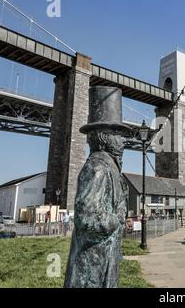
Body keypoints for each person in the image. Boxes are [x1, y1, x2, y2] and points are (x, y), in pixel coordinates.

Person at [64, 87, 130, 288]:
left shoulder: (108, 166)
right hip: (91, 264)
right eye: (118, 133)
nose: (124, 139)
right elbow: (86, 217)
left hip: (102, 261)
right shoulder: (97, 167)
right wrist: (116, 220)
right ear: (104, 137)